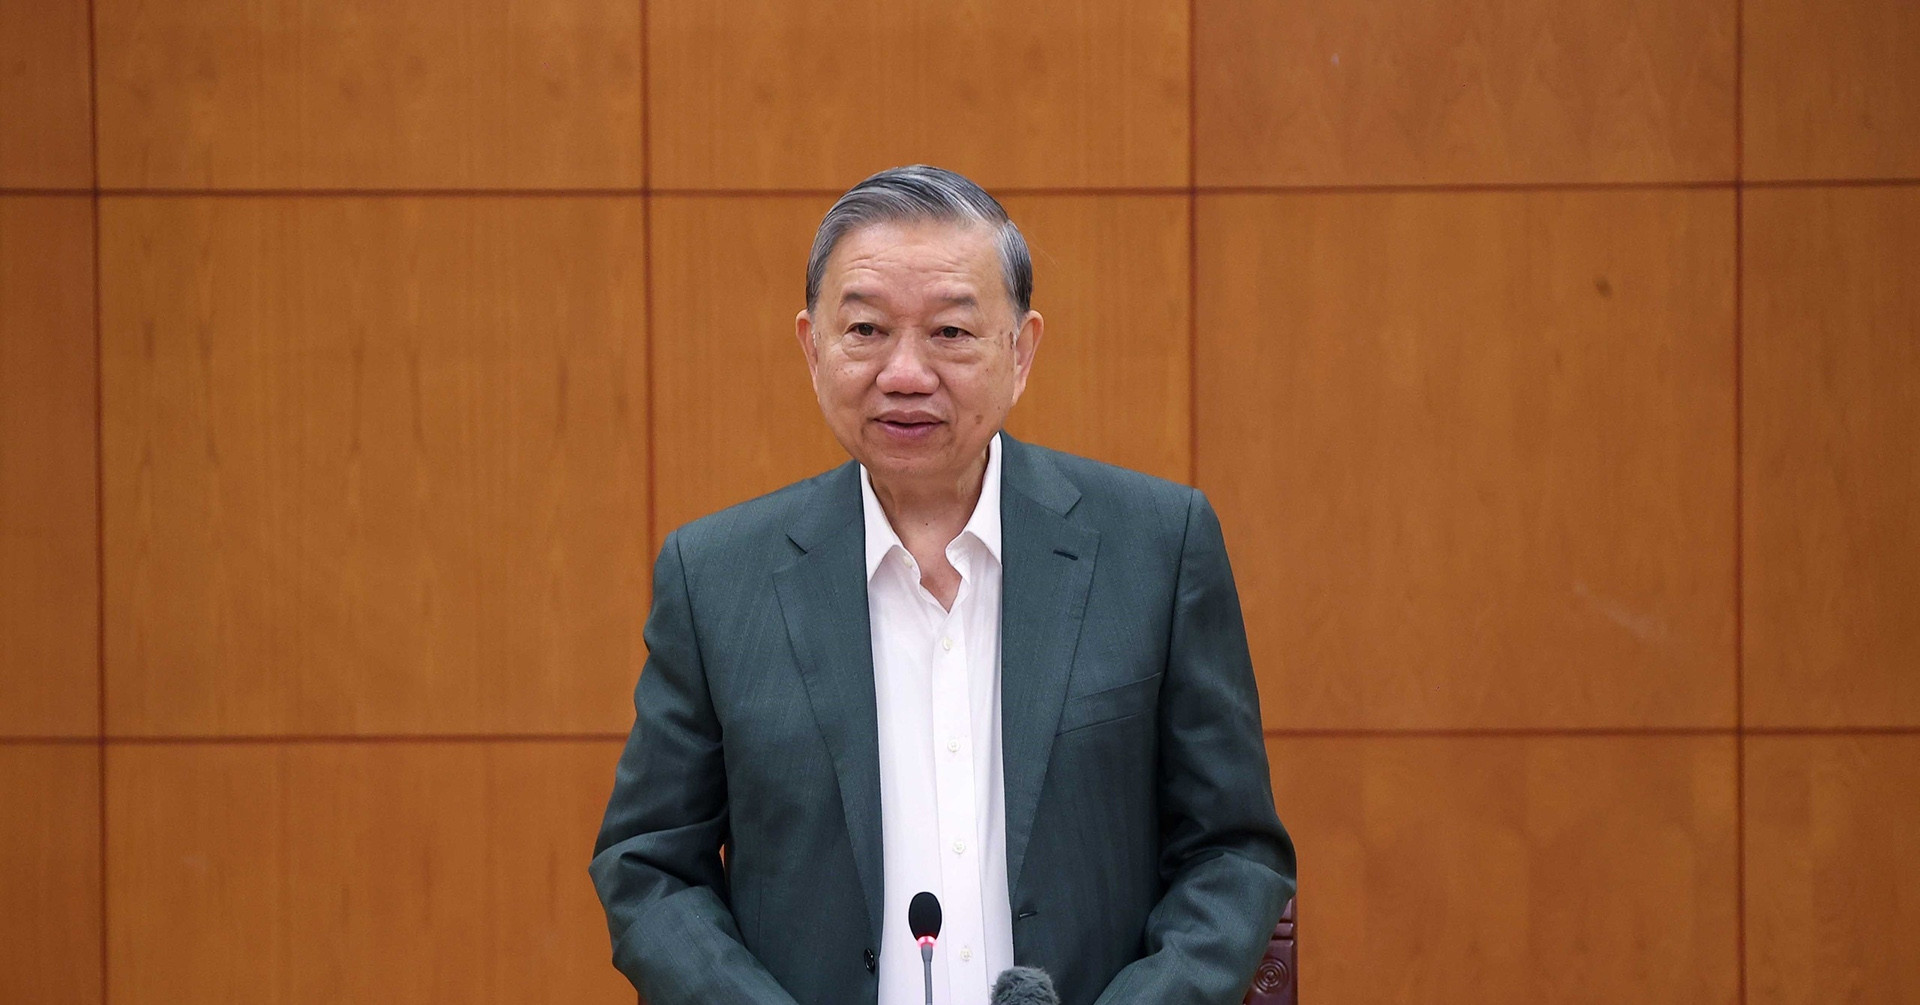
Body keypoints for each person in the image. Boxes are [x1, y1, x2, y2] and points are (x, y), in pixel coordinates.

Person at [590, 165, 1294, 1005]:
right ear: (813, 348)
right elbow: (649, 866)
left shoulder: (1157, 546)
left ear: (1021, 350)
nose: (905, 373)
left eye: (951, 332)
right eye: (866, 329)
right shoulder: (716, 578)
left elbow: (1233, 853)